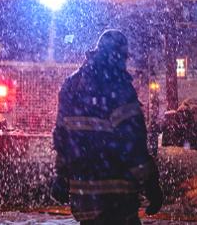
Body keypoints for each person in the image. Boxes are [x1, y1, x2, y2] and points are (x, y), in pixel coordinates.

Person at [51, 30, 163, 224]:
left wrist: (61, 177)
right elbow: (133, 145)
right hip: (118, 199)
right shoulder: (119, 87)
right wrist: (151, 184)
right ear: (119, 55)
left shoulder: (72, 84)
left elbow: (62, 137)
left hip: (84, 197)